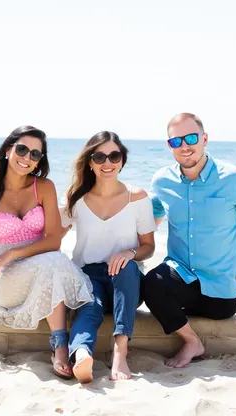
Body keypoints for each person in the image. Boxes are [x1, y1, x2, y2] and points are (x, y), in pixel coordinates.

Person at [0, 125, 94, 380]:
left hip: (40, 263)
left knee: (52, 262)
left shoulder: (43, 187)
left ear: (39, 161)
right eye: (22, 149)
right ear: (7, 150)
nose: (27, 158)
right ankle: (60, 344)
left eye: (35, 154)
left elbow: (54, 241)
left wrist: (11, 253)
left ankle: (60, 345)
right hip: (7, 279)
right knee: (52, 264)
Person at [143, 113, 236, 368]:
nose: (185, 146)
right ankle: (191, 342)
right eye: (176, 141)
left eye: (191, 138)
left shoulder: (235, 178)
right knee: (151, 284)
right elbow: (151, 222)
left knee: (215, 305)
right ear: (170, 146)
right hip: (181, 282)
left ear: (204, 139)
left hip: (222, 292)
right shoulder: (161, 181)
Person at [61, 131, 156, 383]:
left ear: (122, 160)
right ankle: (81, 355)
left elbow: (148, 246)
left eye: (114, 156)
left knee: (126, 268)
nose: (107, 163)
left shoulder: (137, 197)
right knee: (90, 308)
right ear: (90, 162)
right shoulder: (76, 199)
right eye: (99, 156)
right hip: (87, 275)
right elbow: (52, 237)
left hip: (125, 281)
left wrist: (130, 253)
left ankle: (120, 353)